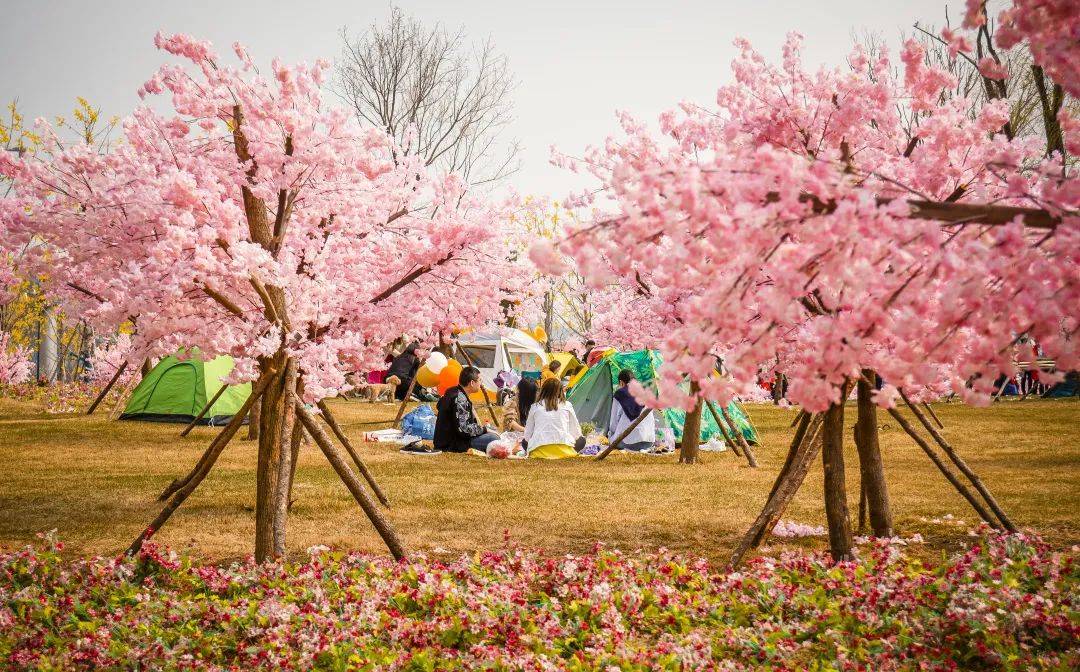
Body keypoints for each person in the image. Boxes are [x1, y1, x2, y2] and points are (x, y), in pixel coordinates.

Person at [434, 366, 500, 453]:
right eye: (480, 380)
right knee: (494, 438)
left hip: (444, 441)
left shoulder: (452, 391)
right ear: (472, 383)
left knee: (493, 430)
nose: (481, 383)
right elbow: (464, 430)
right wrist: (484, 430)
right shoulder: (460, 399)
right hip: (453, 444)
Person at [523, 378, 585, 459]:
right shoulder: (567, 405)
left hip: (539, 451)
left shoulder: (535, 406)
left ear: (543, 390)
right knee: (582, 440)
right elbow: (576, 431)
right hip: (565, 451)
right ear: (560, 391)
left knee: (524, 442)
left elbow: (527, 434)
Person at [607, 369, 656, 452]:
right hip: (649, 441)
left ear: (621, 382)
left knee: (611, 437)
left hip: (627, 443)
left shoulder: (620, 394)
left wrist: (611, 435)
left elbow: (613, 423)